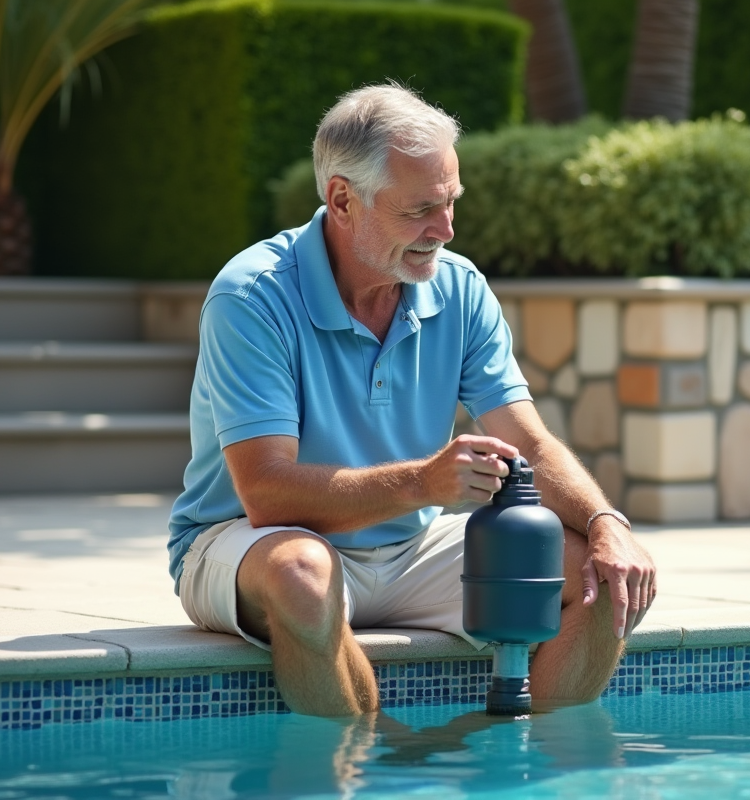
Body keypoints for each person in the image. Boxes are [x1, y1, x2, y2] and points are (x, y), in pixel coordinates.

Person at [167, 83, 656, 717]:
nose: (445, 229)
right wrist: (423, 483)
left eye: (451, 202)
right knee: (302, 578)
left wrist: (605, 524)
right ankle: (356, 776)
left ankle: (518, 775)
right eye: (421, 209)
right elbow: (267, 493)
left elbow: (529, 441)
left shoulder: (459, 289)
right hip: (250, 541)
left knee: (599, 577)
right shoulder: (252, 297)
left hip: (412, 546)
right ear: (342, 198)